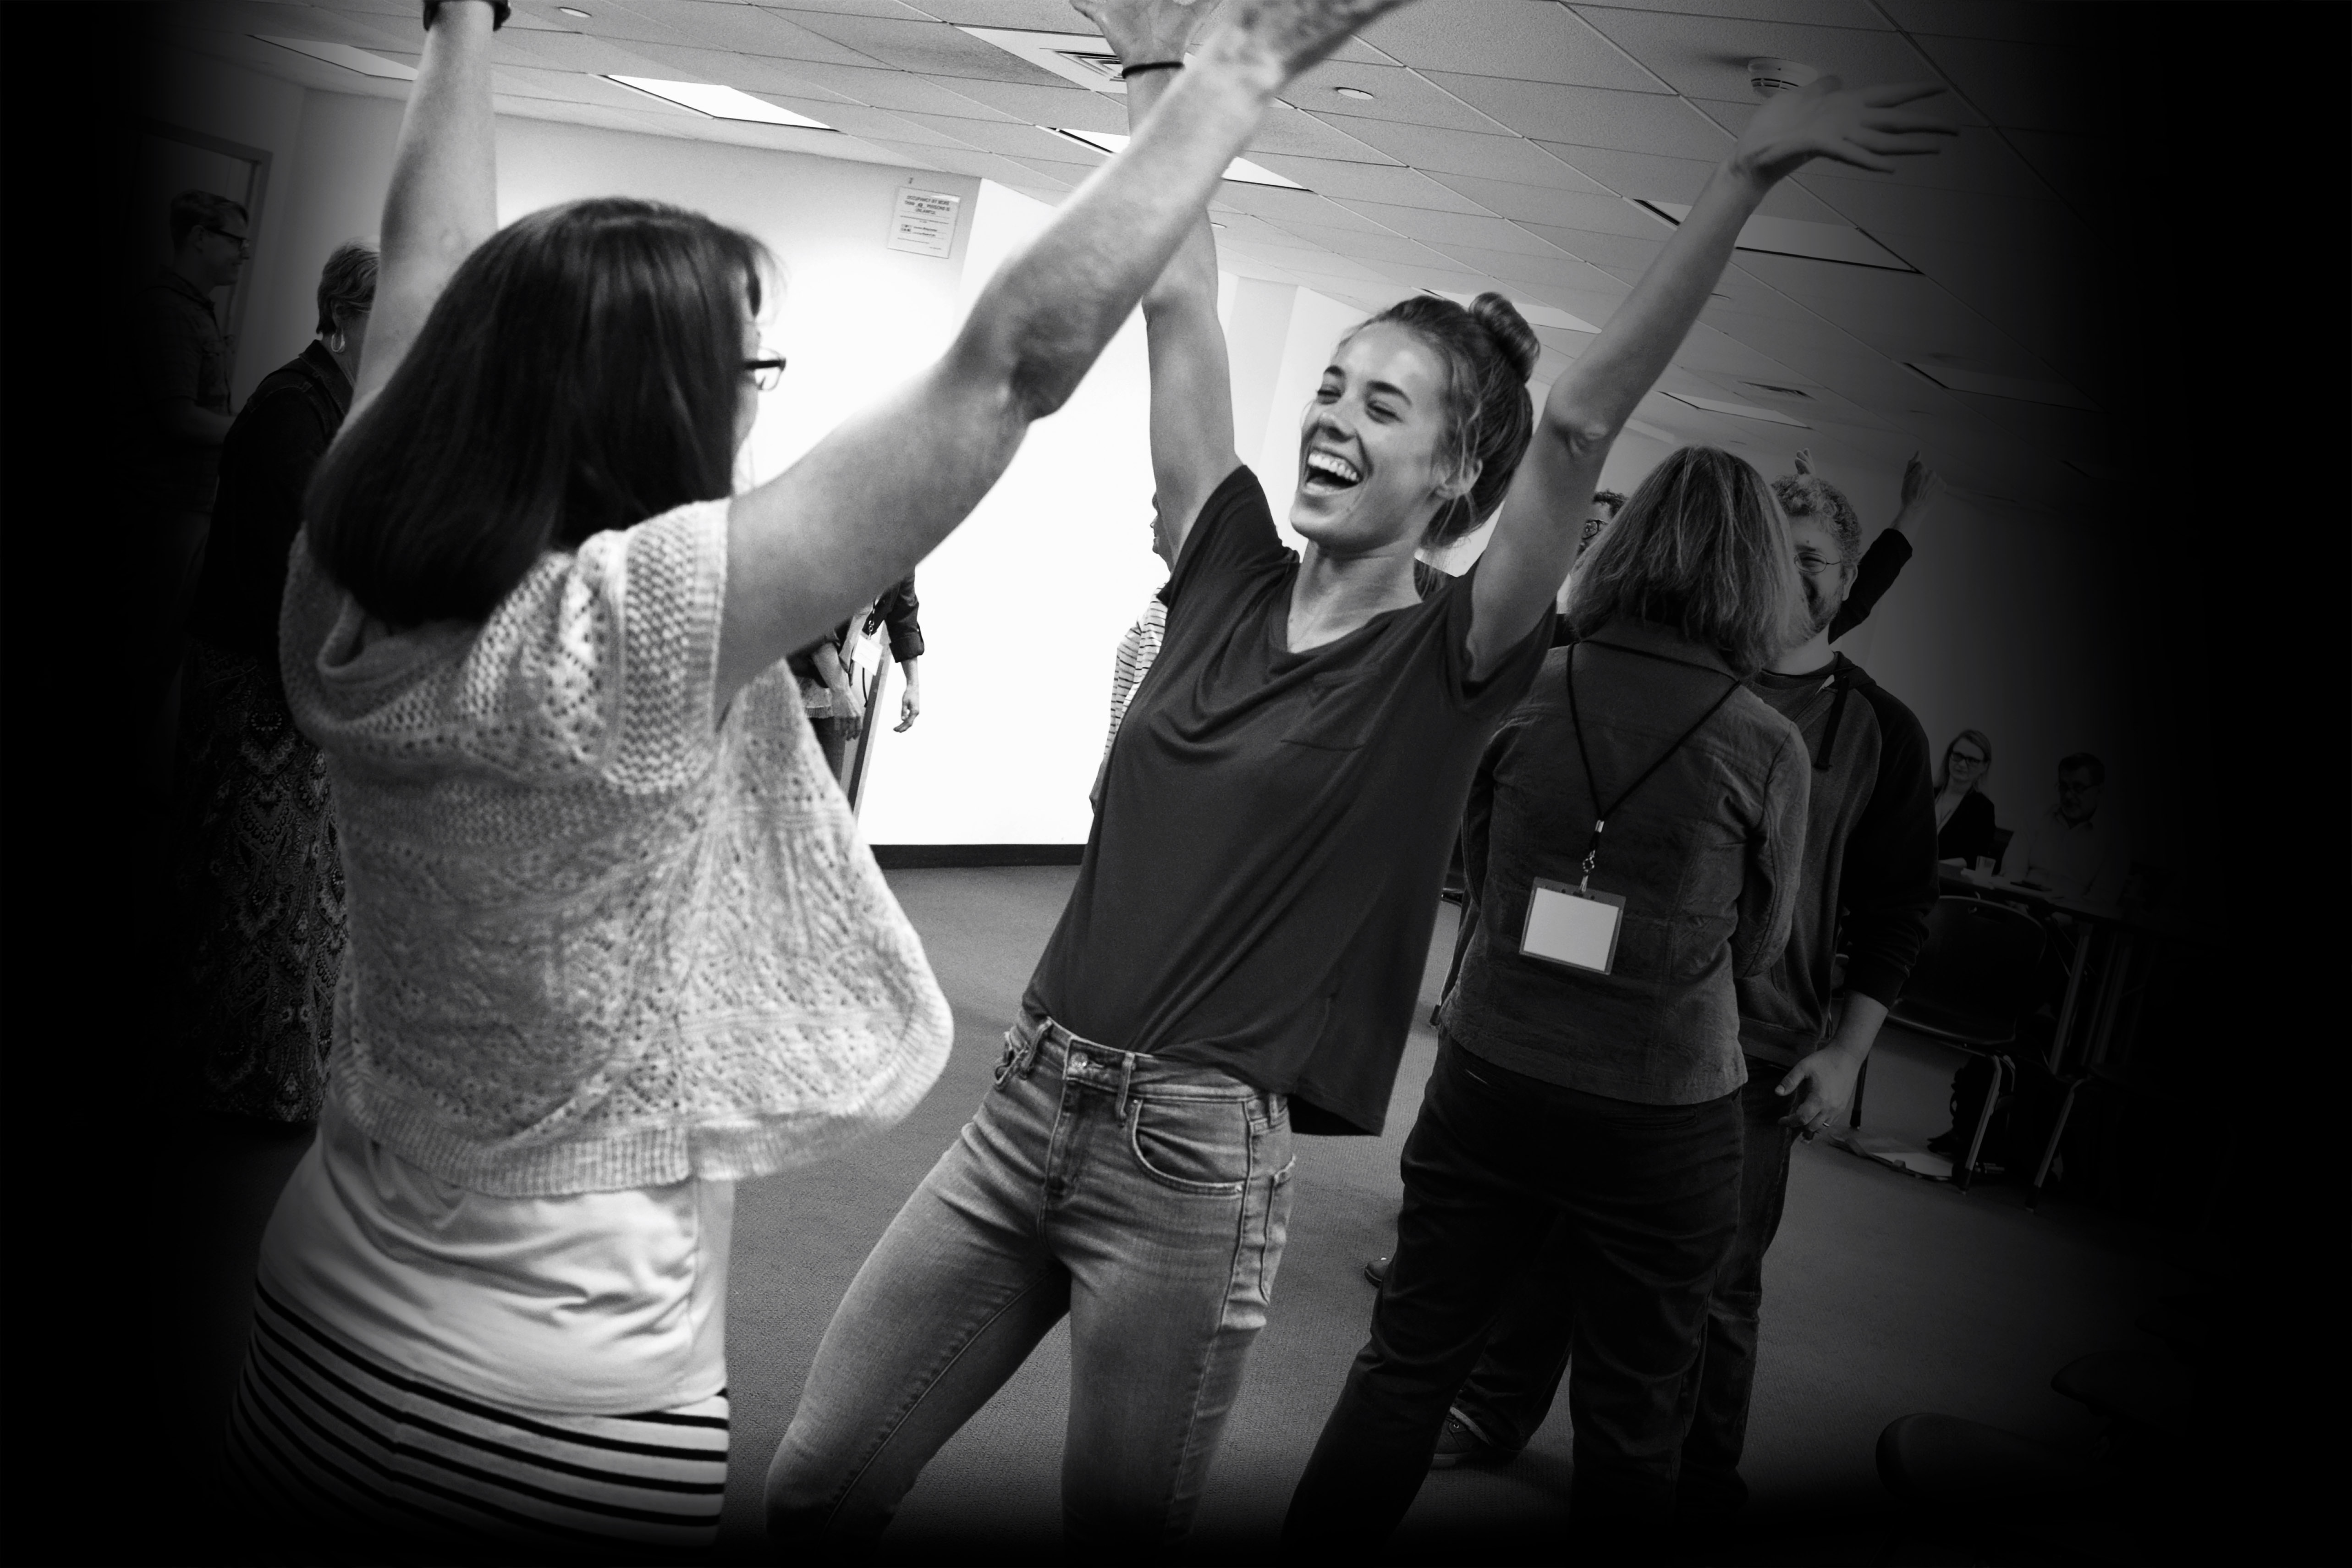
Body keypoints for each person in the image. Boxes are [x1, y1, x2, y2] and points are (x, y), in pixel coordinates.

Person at [220, 0, 1398, 1555]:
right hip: (551, 1414)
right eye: (740, 369)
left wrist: (464, 25)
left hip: (307, 1333)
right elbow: (1010, 367)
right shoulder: (621, 635)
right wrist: (1235, 68)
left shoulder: (342, 592)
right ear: (645, 416)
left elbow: (423, 280)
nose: (749, 398)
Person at [763, 0, 1585, 1544]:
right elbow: (1182, 304)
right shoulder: (1221, 561)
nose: (1331, 416)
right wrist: (1156, 61)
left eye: (1379, 403)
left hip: (1195, 1165)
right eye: (1329, 387)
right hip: (1028, 1101)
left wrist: (1737, 189)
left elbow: (1575, 440)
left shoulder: (1445, 666)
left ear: (1453, 475)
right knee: (817, 1482)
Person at [1282, 72, 1954, 1559]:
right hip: (1668, 1107)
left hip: (1495, 1068)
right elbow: (1763, 934)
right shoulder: (1766, 742)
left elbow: (1471, 852)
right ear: (1752, 580)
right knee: (1639, 1415)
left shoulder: (1529, 680)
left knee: (1406, 1364)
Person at [1420, 464, 1940, 1535]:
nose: (1792, 582)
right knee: (1547, 1237)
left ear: (1849, 584)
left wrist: (1846, 1054)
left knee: (1715, 1284)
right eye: (1776, 554)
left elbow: (1897, 911)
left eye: (1815, 564)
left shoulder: (1875, 731)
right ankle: (1494, 1407)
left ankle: (1702, 1485)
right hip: (1600, 1017)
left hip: (1756, 1049)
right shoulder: (1668, 676)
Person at [173, 240, 376, 1124]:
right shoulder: (296, 409)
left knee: (297, 900)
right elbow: (292, 570)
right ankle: (236, 1094)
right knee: (258, 897)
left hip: (295, 684)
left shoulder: (335, 407)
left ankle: (276, 1088)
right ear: (344, 317)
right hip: (260, 684)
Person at [135, 188, 250, 786]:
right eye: (235, 239)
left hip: (191, 506)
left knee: (162, 654)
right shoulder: (168, 312)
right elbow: (178, 417)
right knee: (142, 650)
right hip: (165, 508)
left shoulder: (197, 309)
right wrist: (249, 431)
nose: (244, 253)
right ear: (200, 237)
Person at [792, 572, 925, 781]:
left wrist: (913, 685)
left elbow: (904, 620)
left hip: (832, 687)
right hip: (789, 674)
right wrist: (842, 691)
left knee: (829, 793)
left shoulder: (903, 557)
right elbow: (814, 621)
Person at [2005, 753, 2127, 900]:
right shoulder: (2036, 818)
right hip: (2021, 905)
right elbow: (2012, 869)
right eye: (2064, 787)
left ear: (2099, 790)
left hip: (2070, 917)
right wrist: (2018, 904)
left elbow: (2101, 900)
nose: (2068, 796)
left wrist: (2059, 920)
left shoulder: (2115, 839)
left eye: (2078, 788)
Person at [1934, 727, 1998, 866]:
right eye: (1958, 756)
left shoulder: (1983, 809)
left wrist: (1932, 869)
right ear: (1949, 756)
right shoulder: (1927, 792)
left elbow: (1974, 858)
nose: (1962, 764)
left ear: (1984, 766)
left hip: (1947, 882)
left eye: (1972, 760)